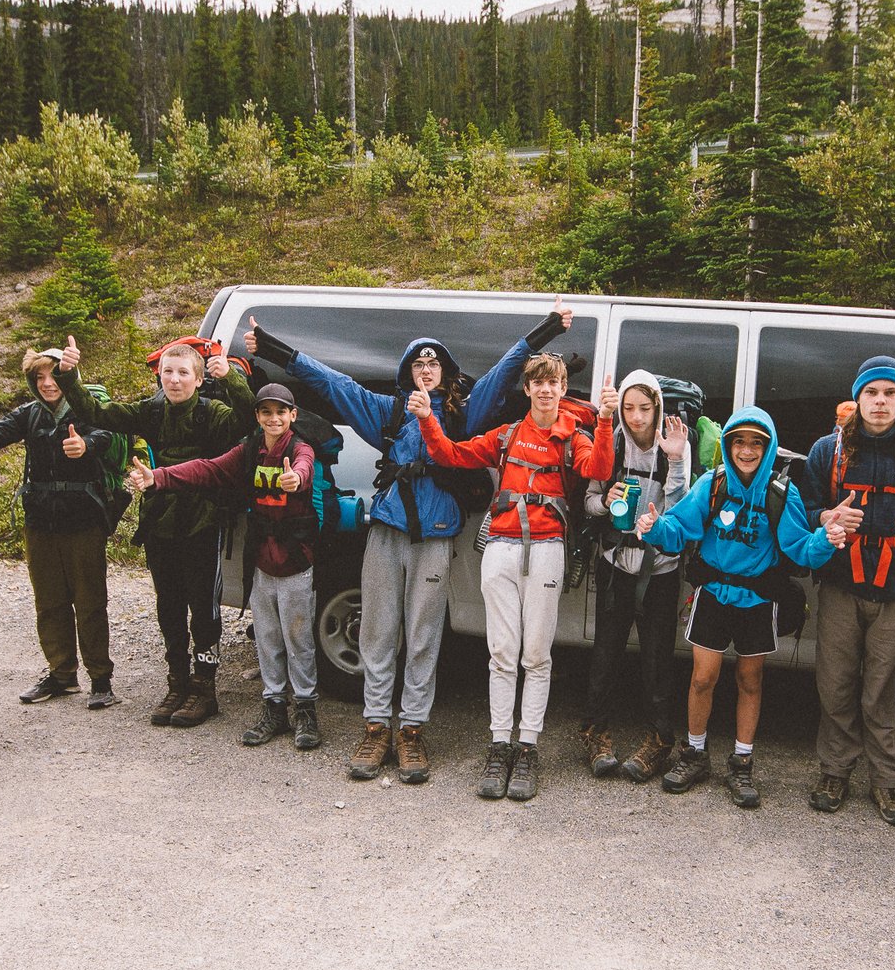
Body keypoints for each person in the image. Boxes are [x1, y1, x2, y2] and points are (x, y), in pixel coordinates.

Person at [244, 303, 572, 786]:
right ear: (406, 372)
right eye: (418, 364)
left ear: (445, 374)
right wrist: (277, 351)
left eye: (433, 364)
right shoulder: (388, 411)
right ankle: (377, 726)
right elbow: (335, 384)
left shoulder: (464, 414)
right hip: (387, 531)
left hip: (436, 537)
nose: (425, 370)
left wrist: (545, 330)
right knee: (377, 631)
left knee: (423, 635)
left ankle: (412, 731)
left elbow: (506, 371)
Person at [415, 356, 613, 800]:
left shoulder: (573, 438)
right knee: (502, 653)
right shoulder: (506, 436)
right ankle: (500, 744)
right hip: (501, 548)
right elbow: (449, 453)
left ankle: (528, 748)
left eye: (555, 383)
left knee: (537, 656)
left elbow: (598, 469)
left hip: (547, 548)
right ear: (527, 389)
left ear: (564, 389)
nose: (546, 390)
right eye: (539, 383)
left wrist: (604, 421)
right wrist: (429, 419)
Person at [638, 409, 846, 809]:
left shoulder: (781, 493)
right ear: (728, 445)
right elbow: (680, 529)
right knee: (703, 678)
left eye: (756, 443)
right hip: (713, 593)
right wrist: (655, 528)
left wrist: (826, 538)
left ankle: (742, 761)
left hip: (757, 598)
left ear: (767, 448)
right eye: (739, 442)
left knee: (750, 680)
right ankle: (695, 754)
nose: (747, 451)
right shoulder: (711, 483)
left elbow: (800, 547)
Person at [51, 335, 253, 727]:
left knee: (204, 609)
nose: (174, 380)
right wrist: (69, 374)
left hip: (202, 520)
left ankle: (204, 688)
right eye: (167, 372)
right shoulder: (152, 410)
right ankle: (176, 683)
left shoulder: (213, 413)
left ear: (197, 379)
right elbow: (98, 411)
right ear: (159, 376)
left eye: (183, 373)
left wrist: (230, 378)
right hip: (160, 520)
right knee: (169, 606)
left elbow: (248, 418)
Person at [127, 382, 329, 752]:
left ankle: (305, 712)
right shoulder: (249, 450)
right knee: (267, 639)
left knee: (299, 641)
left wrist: (295, 479)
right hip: (262, 562)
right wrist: (159, 477)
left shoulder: (301, 449)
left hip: (296, 561)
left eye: (281, 412)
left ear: (293, 416)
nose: (274, 418)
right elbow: (208, 469)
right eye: (266, 412)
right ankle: (274, 709)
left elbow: (304, 469)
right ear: (257, 416)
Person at [801, 356, 895, 828]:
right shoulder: (829, 451)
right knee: (835, 681)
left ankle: (887, 779)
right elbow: (803, 510)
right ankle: (835, 770)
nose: (880, 402)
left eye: (890, 393)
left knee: (881, 689)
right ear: (858, 397)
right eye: (872, 393)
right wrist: (825, 518)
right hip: (842, 585)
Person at [0, 346, 123, 710]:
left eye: (52, 375)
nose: (46, 383)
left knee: (89, 600)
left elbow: (107, 434)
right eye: (39, 377)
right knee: (49, 601)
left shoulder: (86, 409)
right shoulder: (31, 413)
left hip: (83, 519)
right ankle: (62, 674)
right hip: (39, 520)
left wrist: (85, 445)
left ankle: (100, 679)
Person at [580, 371, 694, 783]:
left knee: (657, 661)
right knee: (604, 656)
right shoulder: (609, 441)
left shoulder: (673, 444)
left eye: (645, 408)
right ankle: (594, 733)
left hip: (659, 568)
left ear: (658, 406)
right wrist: (604, 502)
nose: (636, 417)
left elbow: (683, 508)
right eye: (628, 408)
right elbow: (589, 500)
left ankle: (661, 740)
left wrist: (678, 460)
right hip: (614, 564)